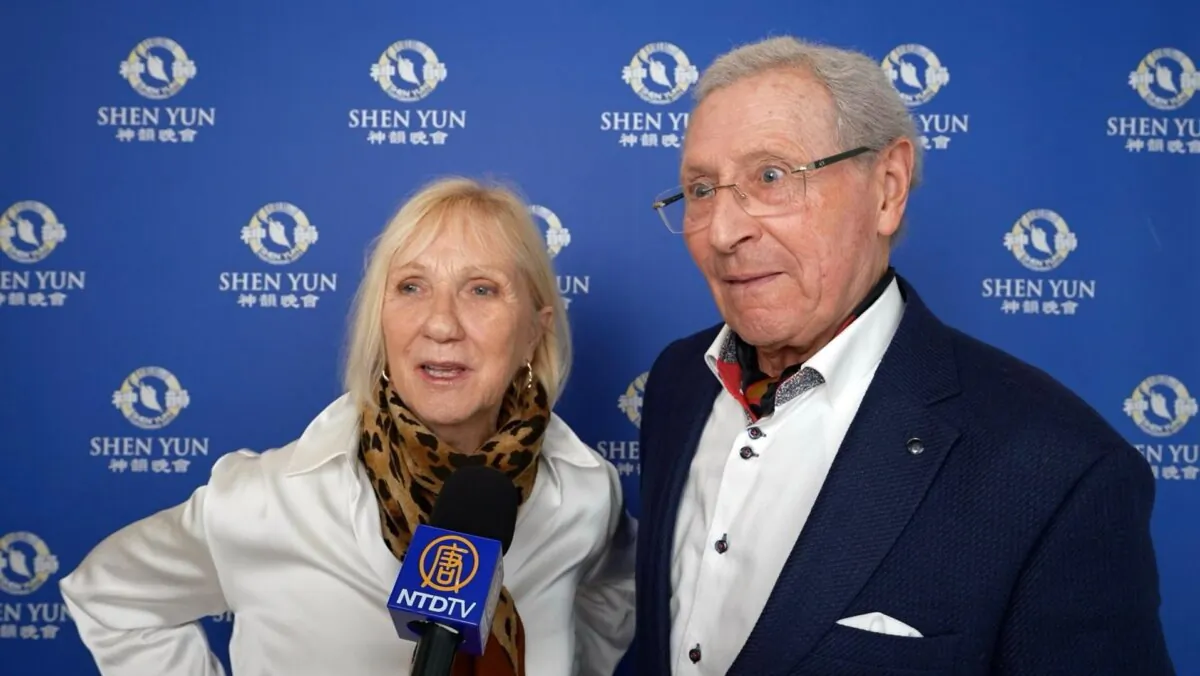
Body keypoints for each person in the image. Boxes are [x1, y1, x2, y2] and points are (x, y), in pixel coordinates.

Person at [635, 36, 1174, 675]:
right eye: (700, 190)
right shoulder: (678, 382)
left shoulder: (1058, 472)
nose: (724, 232)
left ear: (888, 188)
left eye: (771, 177)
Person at [59, 177, 636, 676]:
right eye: (411, 286)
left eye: (481, 289)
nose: (440, 323)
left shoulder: (585, 494)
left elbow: (615, 592)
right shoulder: (266, 500)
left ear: (535, 330)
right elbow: (111, 595)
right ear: (379, 319)